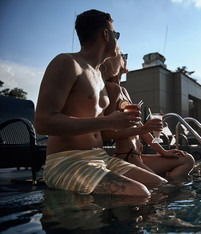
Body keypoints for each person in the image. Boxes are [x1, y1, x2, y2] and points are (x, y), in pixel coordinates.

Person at [35, 9, 167, 197]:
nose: (117, 41)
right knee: (140, 193)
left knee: (161, 185)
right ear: (106, 35)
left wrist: (129, 126)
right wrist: (109, 121)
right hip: (67, 161)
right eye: (116, 35)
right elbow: (43, 122)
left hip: (100, 157)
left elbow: (104, 133)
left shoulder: (98, 77)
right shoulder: (67, 63)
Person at [101, 47, 195, 179]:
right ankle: (168, 186)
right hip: (126, 158)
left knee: (187, 159)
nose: (126, 59)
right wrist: (143, 128)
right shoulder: (113, 89)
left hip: (138, 157)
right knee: (161, 186)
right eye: (123, 56)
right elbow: (105, 133)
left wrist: (163, 151)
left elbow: (141, 129)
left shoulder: (124, 91)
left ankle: (170, 183)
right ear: (113, 62)